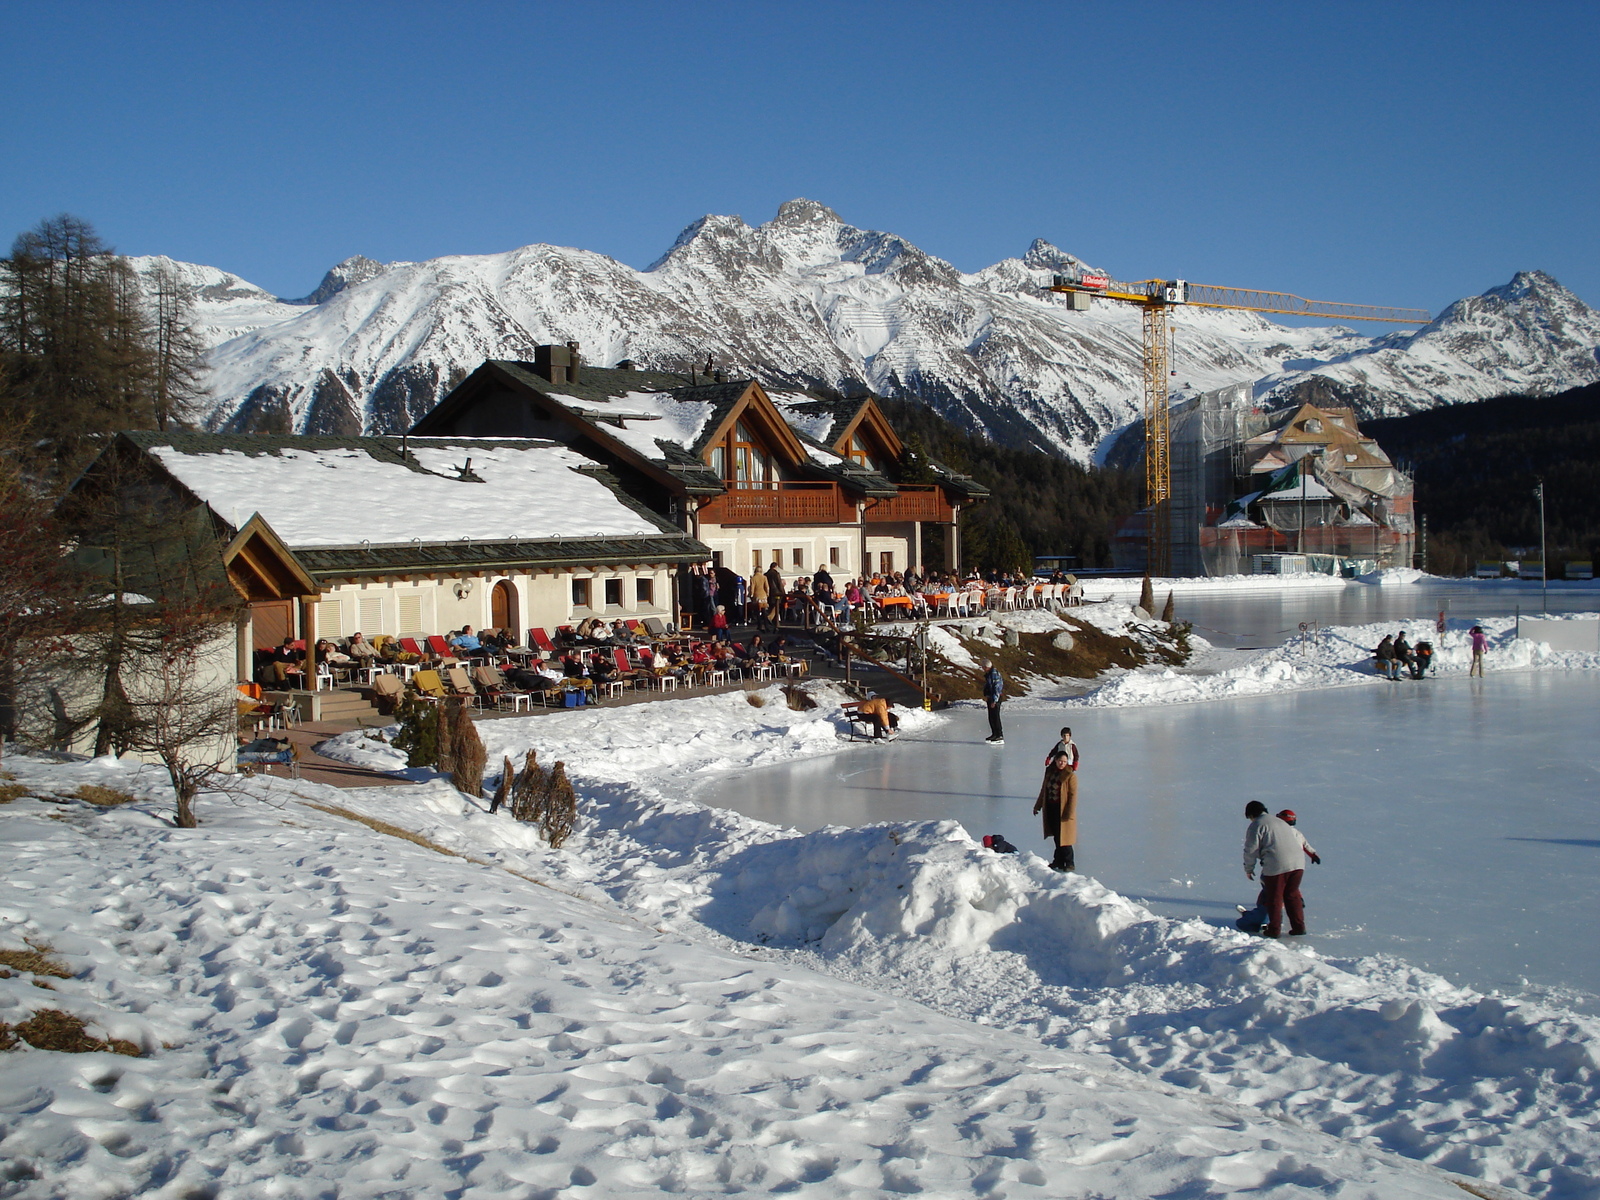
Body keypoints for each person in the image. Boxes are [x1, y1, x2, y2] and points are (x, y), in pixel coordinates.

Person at [1241, 800, 1319, 938]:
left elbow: (1250, 849)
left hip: (1277, 864)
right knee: (1292, 894)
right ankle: (1299, 927)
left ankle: (1274, 930)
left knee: (1274, 897)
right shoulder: (1280, 822)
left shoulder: (1257, 825)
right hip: (1298, 863)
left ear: (1251, 814)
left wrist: (1249, 868)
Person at [1033, 751, 1077, 871]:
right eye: (1059, 761)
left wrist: (1069, 812)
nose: (1062, 763)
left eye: (1064, 761)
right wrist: (1038, 806)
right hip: (1051, 808)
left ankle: (1069, 863)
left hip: (1063, 810)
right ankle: (1058, 861)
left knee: (1065, 837)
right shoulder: (1050, 772)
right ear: (1055, 760)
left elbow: (1073, 795)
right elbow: (1044, 790)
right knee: (1057, 837)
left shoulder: (1070, 775)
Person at [982, 660, 1005, 743]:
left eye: (983, 667)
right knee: (991, 717)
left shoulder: (994, 674)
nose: (982, 668)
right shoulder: (989, 674)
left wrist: (994, 700)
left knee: (995, 717)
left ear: (987, 666)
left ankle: (999, 735)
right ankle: (994, 734)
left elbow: (997, 688)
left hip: (995, 698)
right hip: (990, 697)